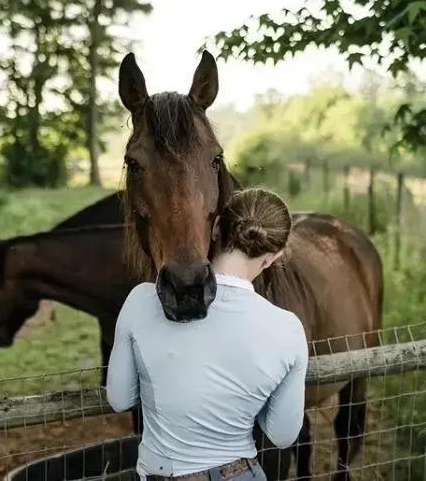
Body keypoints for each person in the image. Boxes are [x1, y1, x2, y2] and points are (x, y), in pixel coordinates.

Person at [106, 188, 308, 481]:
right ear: (272, 258)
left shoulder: (141, 301)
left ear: (216, 229)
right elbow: (282, 435)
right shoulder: (289, 329)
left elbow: (120, 399)